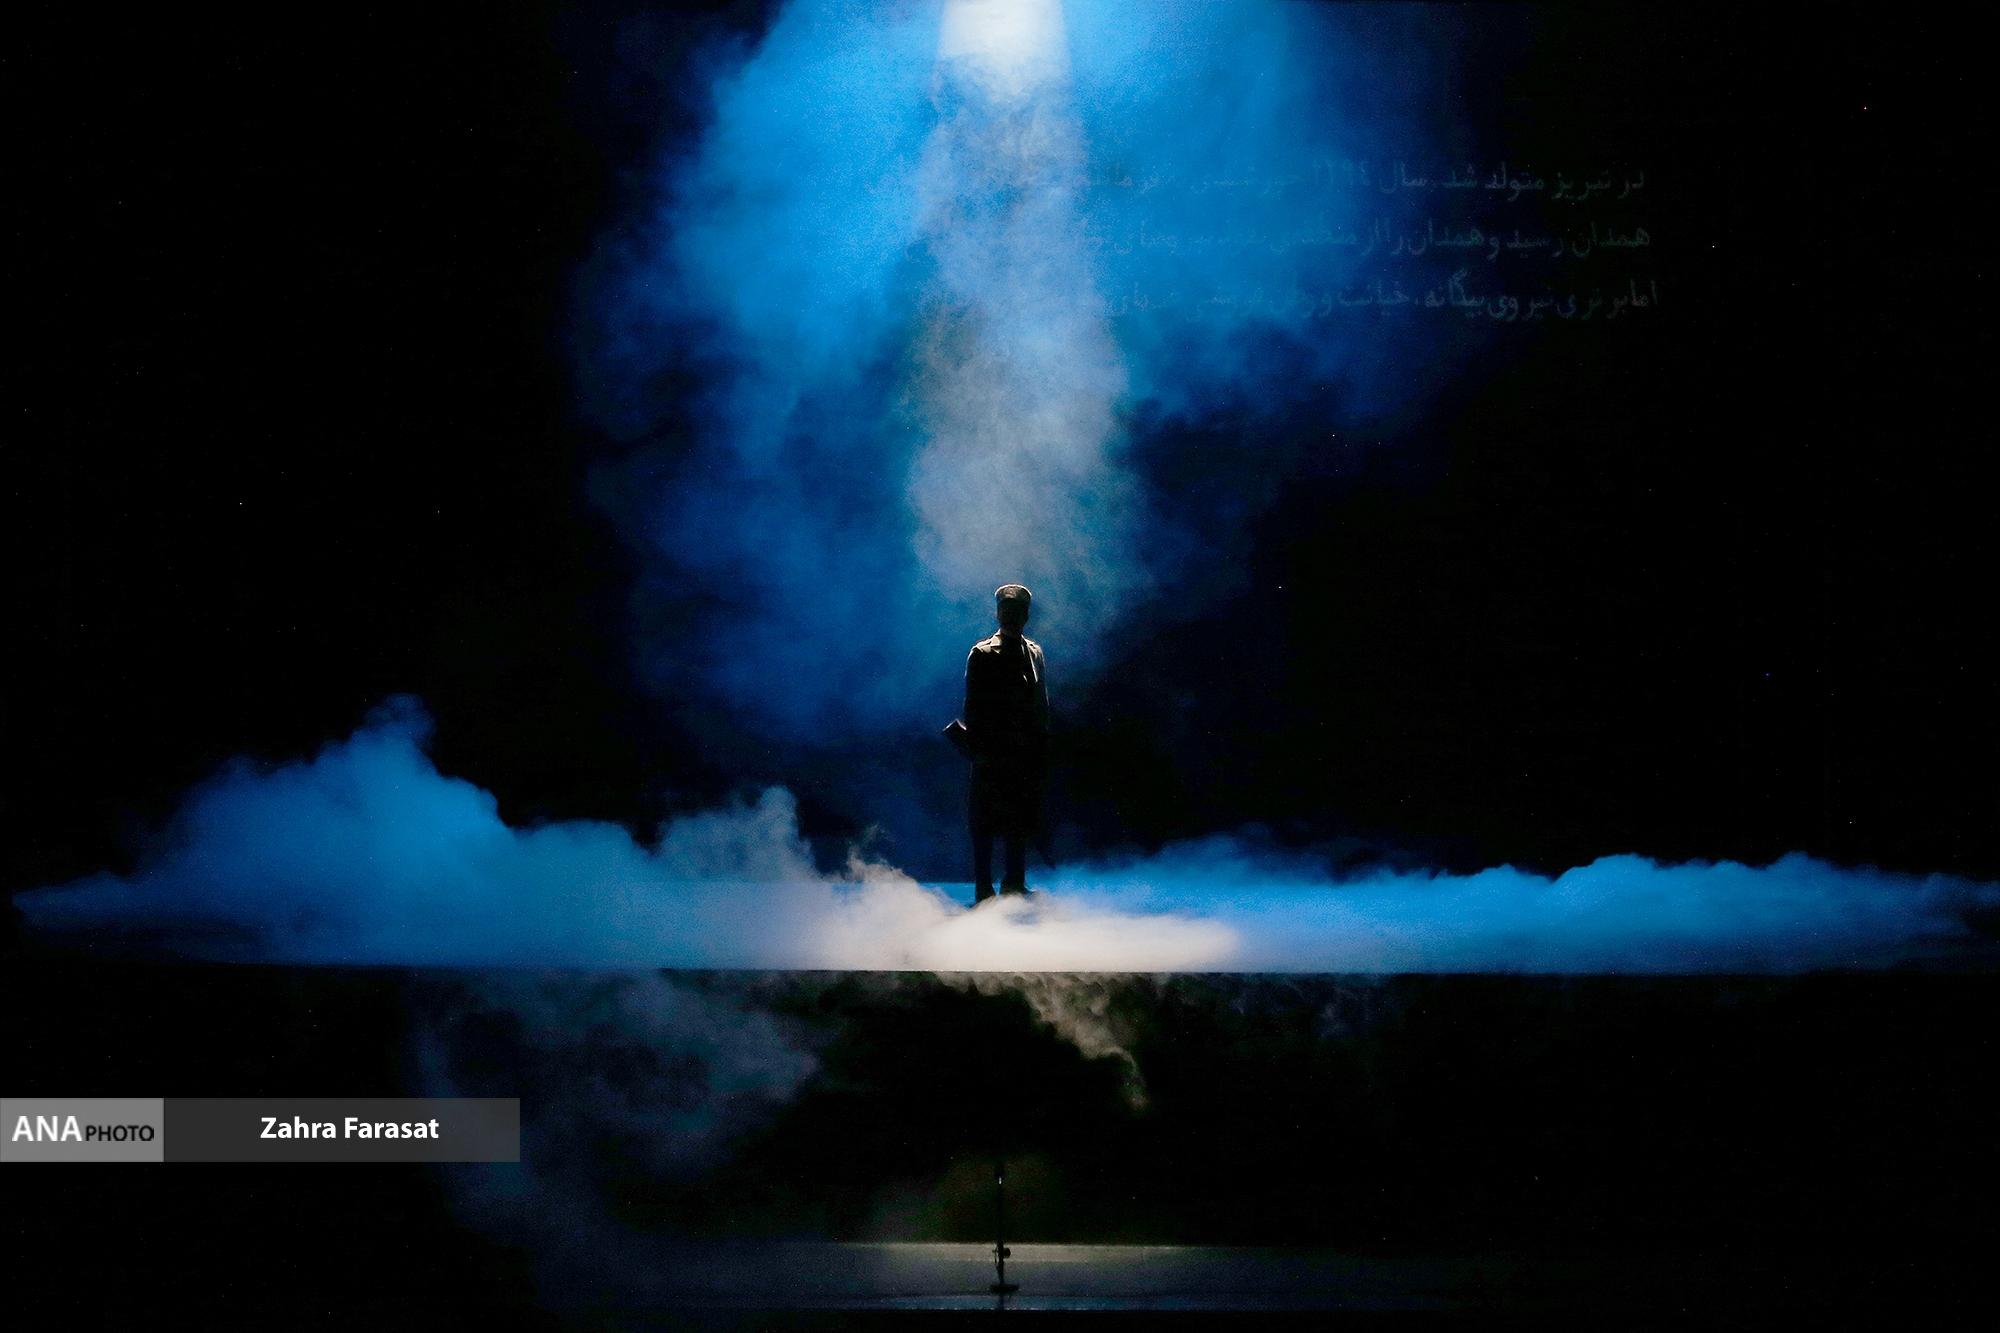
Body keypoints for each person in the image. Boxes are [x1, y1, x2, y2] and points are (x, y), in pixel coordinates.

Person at [962, 584, 1049, 902]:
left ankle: (1014, 883)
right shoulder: (983, 653)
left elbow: (1041, 704)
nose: (1012, 616)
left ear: (1026, 615)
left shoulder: (1034, 652)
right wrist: (982, 748)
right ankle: (983, 888)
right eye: (1007, 610)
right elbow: (973, 707)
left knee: (1019, 819)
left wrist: (1040, 746)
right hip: (992, 751)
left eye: (1018, 611)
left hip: (1023, 752)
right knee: (984, 822)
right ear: (999, 613)